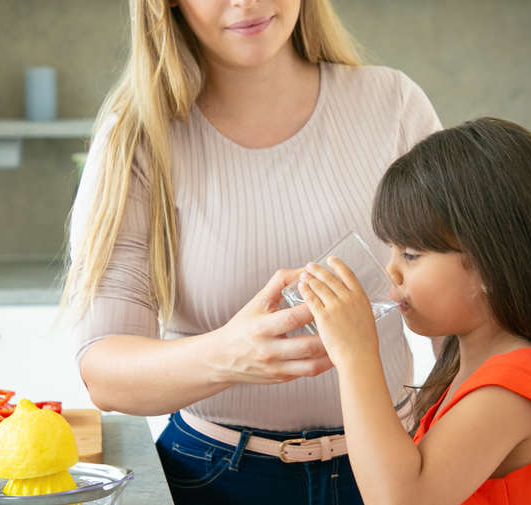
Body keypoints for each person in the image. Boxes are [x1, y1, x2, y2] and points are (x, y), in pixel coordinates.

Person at [62, 0, 441, 503]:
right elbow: (105, 374)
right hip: (215, 478)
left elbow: (466, 312)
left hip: (396, 469)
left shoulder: (393, 104)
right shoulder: (138, 136)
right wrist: (229, 356)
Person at [297, 118, 531, 505]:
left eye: (411, 254)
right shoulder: (467, 369)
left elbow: (400, 499)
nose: (392, 269)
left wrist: (355, 355)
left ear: (490, 264)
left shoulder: (517, 387)